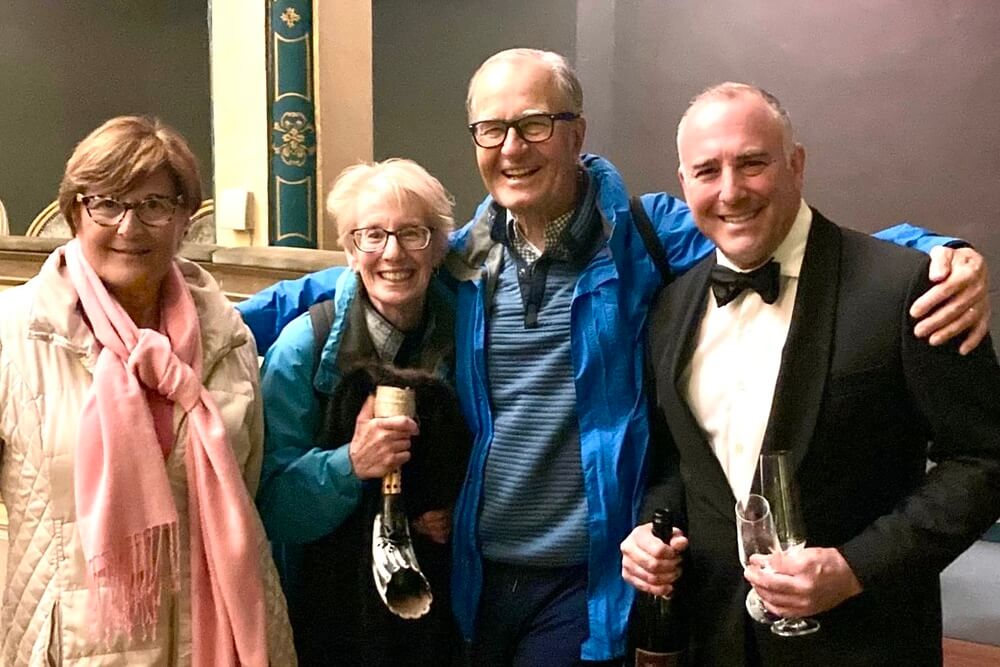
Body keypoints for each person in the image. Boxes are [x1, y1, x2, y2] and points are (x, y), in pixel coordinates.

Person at [237, 49, 990, 665]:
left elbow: (796, 241)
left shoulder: (649, 235)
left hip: (584, 581)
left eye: (534, 123)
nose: (511, 146)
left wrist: (939, 253)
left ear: (576, 132)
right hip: (469, 573)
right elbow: (333, 285)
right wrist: (193, 313)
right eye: (491, 128)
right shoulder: (458, 260)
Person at [621, 83, 1000, 666]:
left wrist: (855, 569)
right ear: (684, 184)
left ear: (796, 165)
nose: (730, 190)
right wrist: (652, 528)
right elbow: (680, 462)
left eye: (752, 163)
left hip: (865, 643)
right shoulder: (671, 308)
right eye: (707, 170)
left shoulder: (909, 287)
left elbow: (984, 459)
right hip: (714, 643)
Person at [0, 116, 294, 665]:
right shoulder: (14, 333)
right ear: (74, 213)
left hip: (212, 640)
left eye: (155, 205)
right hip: (74, 645)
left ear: (185, 218)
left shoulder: (227, 338)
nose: (129, 227)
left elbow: (248, 482)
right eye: (106, 202)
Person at [255, 158, 468, 665]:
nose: (392, 253)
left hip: (440, 611)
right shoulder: (303, 349)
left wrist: (460, 511)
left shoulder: (467, 337)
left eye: (412, 233)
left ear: (439, 247)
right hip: (329, 608)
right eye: (371, 235)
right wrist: (350, 464)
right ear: (350, 250)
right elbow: (269, 503)